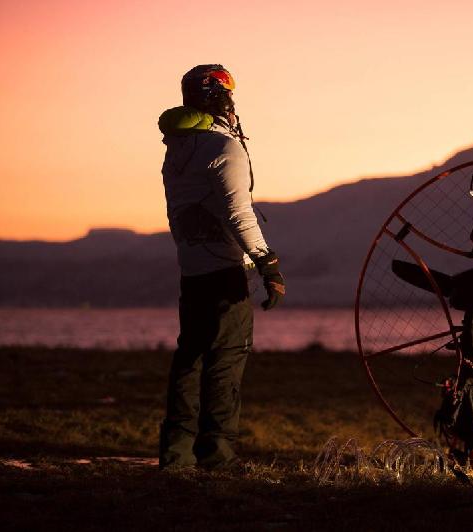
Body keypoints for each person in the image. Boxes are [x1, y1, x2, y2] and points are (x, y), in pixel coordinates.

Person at [157, 64, 285, 471]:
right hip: (227, 270)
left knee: (189, 358)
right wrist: (268, 264)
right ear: (223, 98)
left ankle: (175, 455)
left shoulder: (177, 148)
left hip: (192, 268)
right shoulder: (222, 148)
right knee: (226, 358)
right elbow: (238, 212)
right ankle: (217, 455)